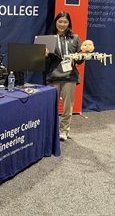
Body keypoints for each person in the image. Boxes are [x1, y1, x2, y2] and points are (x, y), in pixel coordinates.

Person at [45, 11, 83, 141]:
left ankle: (64, 131)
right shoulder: (49, 39)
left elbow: (79, 61)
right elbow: (42, 62)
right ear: (55, 22)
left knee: (68, 107)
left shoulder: (75, 38)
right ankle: (52, 130)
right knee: (51, 105)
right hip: (54, 75)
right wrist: (43, 55)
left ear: (69, 23)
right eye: (60, 21)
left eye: (65, 22)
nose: (62, 24)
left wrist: (82, 55)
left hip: (70, 76)